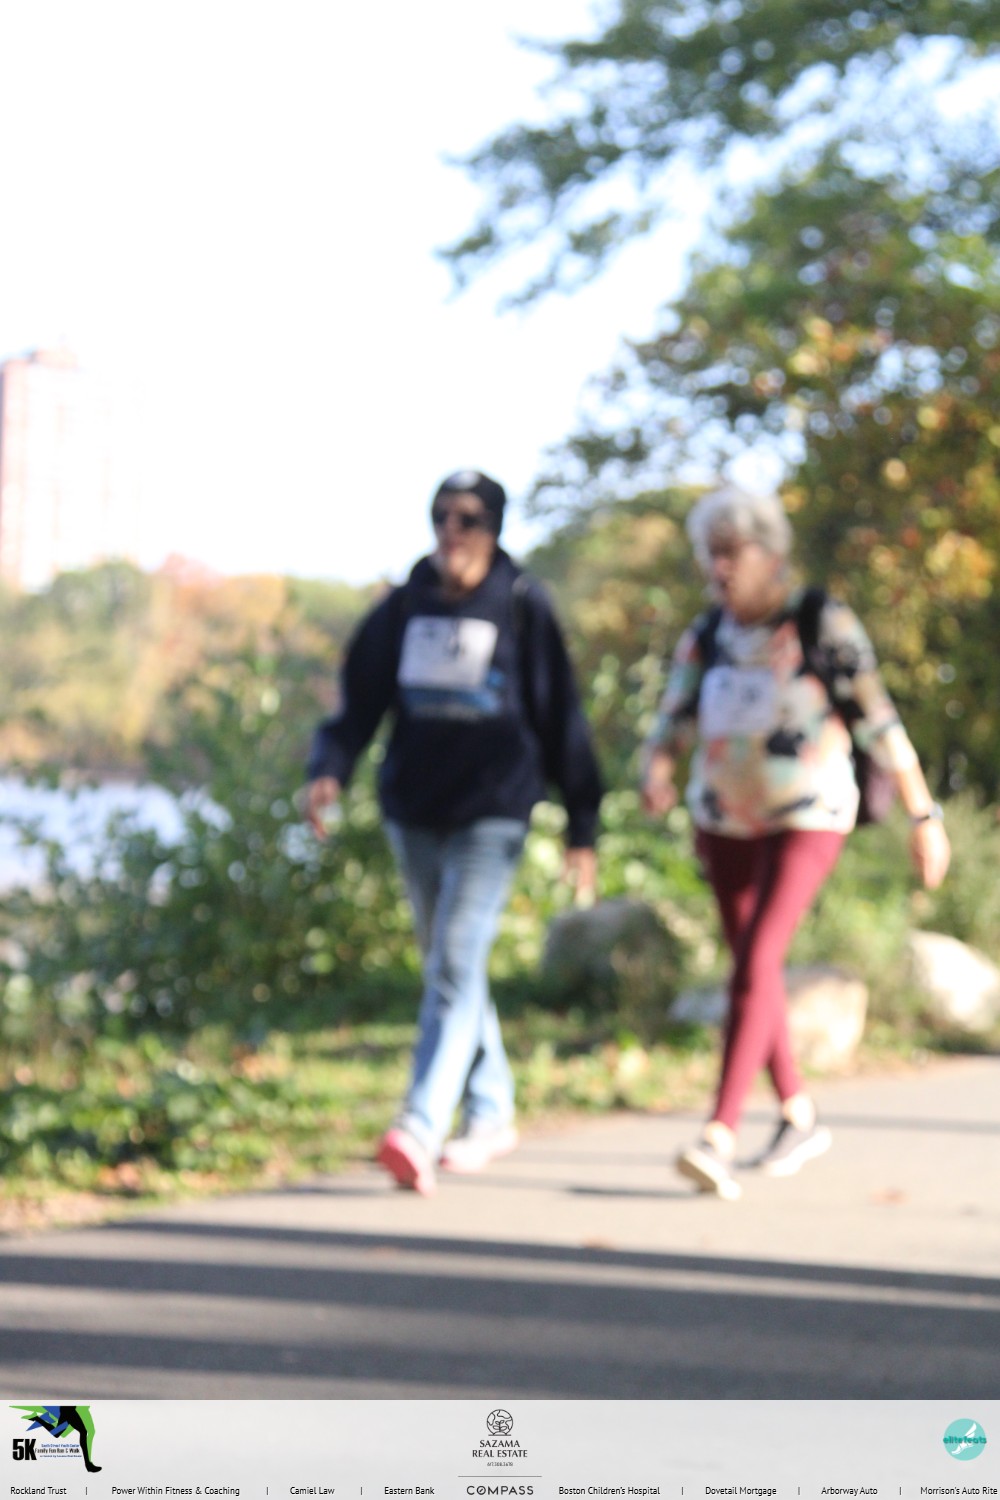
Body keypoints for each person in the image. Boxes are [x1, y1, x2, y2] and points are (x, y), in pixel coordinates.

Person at [641, 484, 950, 1201]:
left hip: (809, 813)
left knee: (757, 958)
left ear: (770, 553)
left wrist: (923, 815)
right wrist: (655, 769)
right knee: (755, 968)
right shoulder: (707, 633)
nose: (718, 567)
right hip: (723, 819)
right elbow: (673, 716)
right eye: (709, 554)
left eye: (731, 552)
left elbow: (878, 720)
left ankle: (717, 1133)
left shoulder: (819, 620)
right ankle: (798, 1115)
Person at [306, 470, 602, 1195]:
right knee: (452, 966)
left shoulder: (523, 604)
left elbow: (561, 716)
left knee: (455, 960)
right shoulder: (404, 606)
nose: (451, 531)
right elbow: (358, 704)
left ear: (493, 528)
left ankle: (419, 1123)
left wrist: (582, 823)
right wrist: (330, 769)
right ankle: (492, 1110)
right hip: (414, 811)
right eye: (441, 516)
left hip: (494, 811)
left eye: (467, 519)